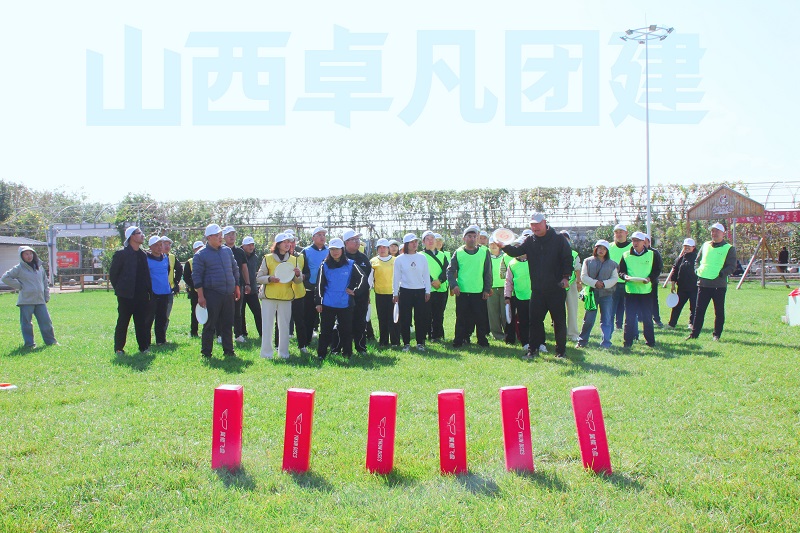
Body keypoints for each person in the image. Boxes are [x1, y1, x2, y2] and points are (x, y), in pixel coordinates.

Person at [501, 213, 573, 359]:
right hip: (537, 290)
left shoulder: (559, 239)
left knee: (559, 321)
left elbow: (567, 259)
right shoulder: (530, 240)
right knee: (534, 321)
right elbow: (516, 252)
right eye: (532, 225)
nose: (535, 227)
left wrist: (566, 277)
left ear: (545, 222)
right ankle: (532, 350)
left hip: (556, 289)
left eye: (537, 224)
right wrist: (504, 246)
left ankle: (561, 352)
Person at [192, 224, 240, 359]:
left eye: (220, 235)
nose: (220, 237)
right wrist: (201, 296)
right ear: (209, 237)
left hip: (228, 293)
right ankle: (206, 352)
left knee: (227, 323)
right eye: (217, 235)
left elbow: (235, 268)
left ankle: (229, 350)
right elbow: (197, 276)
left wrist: (236, 286)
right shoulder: (200, 255)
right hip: (212, 293)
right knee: (210, 324)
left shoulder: (227, 251)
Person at [315, 238, 366, 360]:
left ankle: (347, 353)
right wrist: (318, 302)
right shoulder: (324, 265)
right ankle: (321, 354)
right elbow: (319, 285)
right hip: (328, 303)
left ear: (342, 250)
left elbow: (363, 277)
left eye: (337, 249)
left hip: (345, 304)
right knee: (325, 330)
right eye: (332, 249)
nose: (335, 252)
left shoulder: (351, 264)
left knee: (346, 330)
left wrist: (355, 291)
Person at [256, 233, 303, 359]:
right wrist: (270, 278)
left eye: (289, 242)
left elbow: (298, 281)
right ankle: (266, 354)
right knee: (267, 326)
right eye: (284, 242)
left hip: (285, 297)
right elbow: (259, 278)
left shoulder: (294, 260)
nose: (288, 244)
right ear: (278, 244)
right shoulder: (267, 258)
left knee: (284, 326)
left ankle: (284, 353)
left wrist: (298, 275)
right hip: (269, 297)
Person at [687, 223, 737, 341]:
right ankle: (694, 334)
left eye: (717, 231)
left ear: (723, 234)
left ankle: (716, 335)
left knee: (718, 311)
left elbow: (732, 266)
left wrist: (721, 274)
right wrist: (697, 270)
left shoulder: (729, 248)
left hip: (718, 285)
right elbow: (697, 261)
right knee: (699, 310)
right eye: (712, 231)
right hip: (703, 283)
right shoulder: (705, 245)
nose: (714, 233)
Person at [2, 245, 58, 348]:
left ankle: (51, 342)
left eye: (31, 253)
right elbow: (5, 277)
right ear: (21, 256)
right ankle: (29, 344)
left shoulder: (39, 267)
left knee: (46, 322)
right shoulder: (19, 268)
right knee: (27, 324)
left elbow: (45, 282)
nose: (29, 256)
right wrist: (19, 286)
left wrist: (46, 295)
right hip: (26, 301)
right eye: (26, 254)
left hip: (40, 300)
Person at [109, 226, 153, 355]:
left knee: (141, 322)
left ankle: (143, 347)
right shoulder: (121, 254)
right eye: (139, 233)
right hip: (126, 296)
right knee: (123, 322)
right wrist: (121, 289)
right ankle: (119, 348)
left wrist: (148, 291)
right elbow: (113, 275)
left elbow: (146, 275)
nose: (142, 235)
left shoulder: (143, 254)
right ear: (131, 237)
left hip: (141, 295)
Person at [447, 225, 492, 348]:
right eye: (469, 236)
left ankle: (482, 340)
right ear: (464, 238)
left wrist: (487, 289)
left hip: (479, 291)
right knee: (461, 318)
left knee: (480, 318)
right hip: (462, 291)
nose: (472, 239)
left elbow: (488, 272)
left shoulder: (484, 251)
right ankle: (459, 340)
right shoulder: (458, 252)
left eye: (474, 236)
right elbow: (450, 271)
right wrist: (454, 285)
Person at [617, 231, 659, 348]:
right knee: (629, 318)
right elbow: (621, 271)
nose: (635, 243)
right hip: (631, 291)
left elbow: (657, 269)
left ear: (643, 242)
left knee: (647, 318)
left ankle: (650, 342)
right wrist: (625, 277)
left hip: (646, 291)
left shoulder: (652, 254)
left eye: (637, 241)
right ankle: (627, 343)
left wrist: (650, 278)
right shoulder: (626, 255)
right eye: (633, 241)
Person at [334, 229, 371, 355]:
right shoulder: (340, 257)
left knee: (360, 323)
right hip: (343, 297)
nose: (357, 242)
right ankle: (338, 348)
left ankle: (361, 348)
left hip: (360, 297)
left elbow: (367, 278)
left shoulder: (363, 258)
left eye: (358, 239)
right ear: (346, 242)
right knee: (342, 324)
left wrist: (361, 292)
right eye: (354, 240)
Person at [576, 240, 618, 349]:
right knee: (588, 319)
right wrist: (595, 283)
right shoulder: (587, 261)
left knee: (606, 320)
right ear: (595, 249)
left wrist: (604, 284)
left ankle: (606, 343)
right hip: (591, 295)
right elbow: (583, 276)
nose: (601, 250)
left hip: (607, 295)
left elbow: (614, 278)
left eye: (604, 249)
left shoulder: (613, 264)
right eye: (599, 248)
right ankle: (582, 341)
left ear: (607, 251)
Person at [393, 233, 431, 351]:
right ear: (406, 244)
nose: (414, 244)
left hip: (420, 291)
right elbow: (396, 277)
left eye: (416, 242)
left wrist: (428, 291)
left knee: (420, 318)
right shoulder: (399, 259)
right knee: (405, 318)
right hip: (405, 291)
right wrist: (395, 293)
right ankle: (406, 343)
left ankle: (420, 343)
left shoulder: (422, 257)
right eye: (411, 242)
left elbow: (426, 275)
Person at [222, 226, 250, 343]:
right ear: (223, 237)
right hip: (223, 286)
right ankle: (221, 335)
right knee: (223, 311)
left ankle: (238, 334)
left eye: (233, 234)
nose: (231, 236)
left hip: (238, 285)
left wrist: (247, 283)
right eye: (229, 234)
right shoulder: (220, 250)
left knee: (237, 311)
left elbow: (244, 268)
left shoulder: (240, 251)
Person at [370, 238, 399, 347]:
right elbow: (370, 279)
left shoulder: (396, 260)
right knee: (382, 318)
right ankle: (383, 341)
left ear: (388, 248)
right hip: (380, 294)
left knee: (394, 318)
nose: (382, 250)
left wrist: (397, 292)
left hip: (393, 294)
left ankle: (395, 341)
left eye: (384, 247)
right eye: (380, 248)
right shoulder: (373, 261)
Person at [301, 226, 328, 343]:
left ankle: (326, 340)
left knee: (327, 316)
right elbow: (302, 269)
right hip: (310, 288)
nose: (322, 237)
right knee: (309, 316)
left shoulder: (330, 251)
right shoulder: (305, 251)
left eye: (324, 235)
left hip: (326, 289)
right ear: (313, 238)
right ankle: (306, 340)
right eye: (319, 235)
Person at [422, 230, 449, 342]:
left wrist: (440, 280)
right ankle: (428, 334)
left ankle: (437, 335)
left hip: (441, 288)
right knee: (427, 313)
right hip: (427, 289)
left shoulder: (442, 255)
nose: (430, 241)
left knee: (439, 313)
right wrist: (432, 281)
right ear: (423, 242)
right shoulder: (421, 255)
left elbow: (447, 270)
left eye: (432, 238)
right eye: (427, 239)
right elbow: (421, 271)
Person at [145, 235, 172, 346]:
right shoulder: (146, 259)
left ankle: (161, 340)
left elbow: (168, 271)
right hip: (152, 293)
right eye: (156, 245)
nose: (159, 247)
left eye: (160, 245)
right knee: (149, 319)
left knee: (162, 318)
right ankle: (146, 341)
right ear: (150, 247)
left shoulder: (165, 258)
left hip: (165, 292)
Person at [667, 238, 698, 330]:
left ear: (693, 247)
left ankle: (692, 324)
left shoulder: (697, 258)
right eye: (685, 246)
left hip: (694, 288)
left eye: (689, 246)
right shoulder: (680, 258)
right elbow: (675, 271)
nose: (687, 248)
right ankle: (672, 324)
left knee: (694, 307)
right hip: (682, 288)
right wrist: (673, 284)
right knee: (677, 306)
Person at [503, 245, 530, 349]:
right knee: (523, 321)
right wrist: (507, 296)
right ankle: (525, 343)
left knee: (536, 321)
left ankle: (539, 342)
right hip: (520, 297)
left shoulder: (533, 260)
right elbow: (508, 281)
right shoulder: (512, 263)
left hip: (534, 296)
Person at [560, 230, 583, 341]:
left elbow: (577, 269)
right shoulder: (554, 252)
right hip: (558, 285)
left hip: (571, 284)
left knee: (572, 309)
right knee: (559, 310)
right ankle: (560, 332)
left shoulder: (574, 253)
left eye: (566, 238)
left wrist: (579, 283)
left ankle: (573, 333)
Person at [608, 224, 632, 331]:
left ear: (626, 233)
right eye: (616, 232)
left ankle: (621, 326)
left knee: (626, 307)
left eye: (621, 232)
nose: (618, 234)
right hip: (612, 282)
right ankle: (609, 327)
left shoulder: (632, 247)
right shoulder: (609, 247)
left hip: (628, 282)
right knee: (611, 307)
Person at [240, 236, 263, 338]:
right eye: (248, 245)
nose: (251, 247)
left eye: (252, 245)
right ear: (243, 246)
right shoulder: (238, 255)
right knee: (241, 313)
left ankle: (262, 333)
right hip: (241, 288)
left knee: (258, 312)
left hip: (252, 290)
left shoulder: (255, 257)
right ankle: (243, 333)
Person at [159, 236, 182, 332]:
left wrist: (176, 282)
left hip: (169, 290)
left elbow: (179, 269)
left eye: (169, 244)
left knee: (166, 314)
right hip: (156, 290)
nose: (167, 246)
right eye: (165, 244)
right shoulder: (155, 256)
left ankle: (162, 334)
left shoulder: (172, 257)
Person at [486, 237, 508, 341]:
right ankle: (497, 335)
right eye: (491, 244)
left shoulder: (505, 256)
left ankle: (508, 333)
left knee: (505, 313)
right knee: (493, 313)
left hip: (505, 288)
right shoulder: (486, 257)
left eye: (495, 244)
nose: (493, 246)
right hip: (491, 289)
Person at [182, 240, 204, 337]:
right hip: (195, 291)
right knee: (195, 311)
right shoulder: (190, 262)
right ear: (194, 250)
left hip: (208, 290)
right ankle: (194, 331)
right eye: (197, 248)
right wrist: (194, 285)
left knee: (211, 310)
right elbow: (186, 277)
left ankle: (212, 331)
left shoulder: (207, 260)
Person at [644, 234, 665, 327]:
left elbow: (659, 268)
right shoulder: (635, 253)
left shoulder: (654, 253)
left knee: (653, 301)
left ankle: (656, 319)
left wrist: (650, 278)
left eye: (645, 242)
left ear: (649, 242)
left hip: (652, 282)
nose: (643, 244)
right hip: (639, 282)